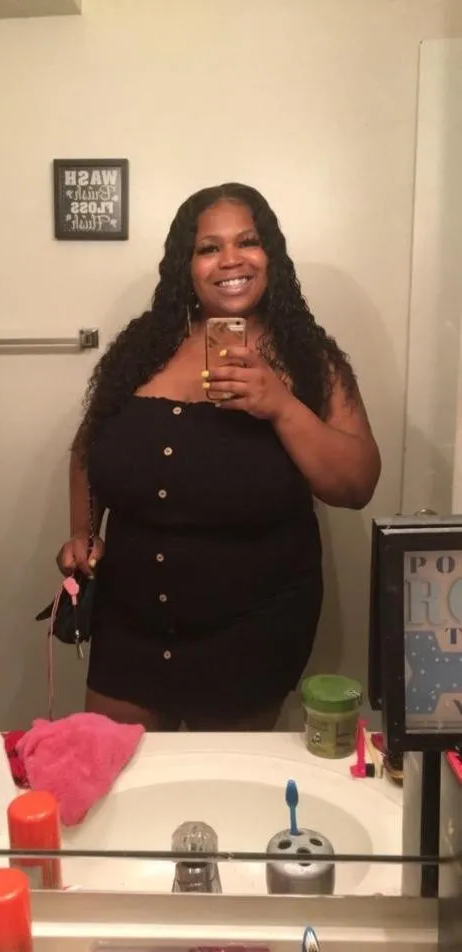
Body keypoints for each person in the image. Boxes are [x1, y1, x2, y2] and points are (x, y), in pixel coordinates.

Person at [56, 182, 381, 732]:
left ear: (270, 255)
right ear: (186, 266)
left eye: (247, 242)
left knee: (224, 780)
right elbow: (91, 445)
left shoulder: (309, 358)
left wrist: (281, 405)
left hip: (251, 633)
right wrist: (82, 532)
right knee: (118, 769)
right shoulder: (143, 347)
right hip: (129, 626)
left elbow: (356, 485)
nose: (230, 259)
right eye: (209, 248)